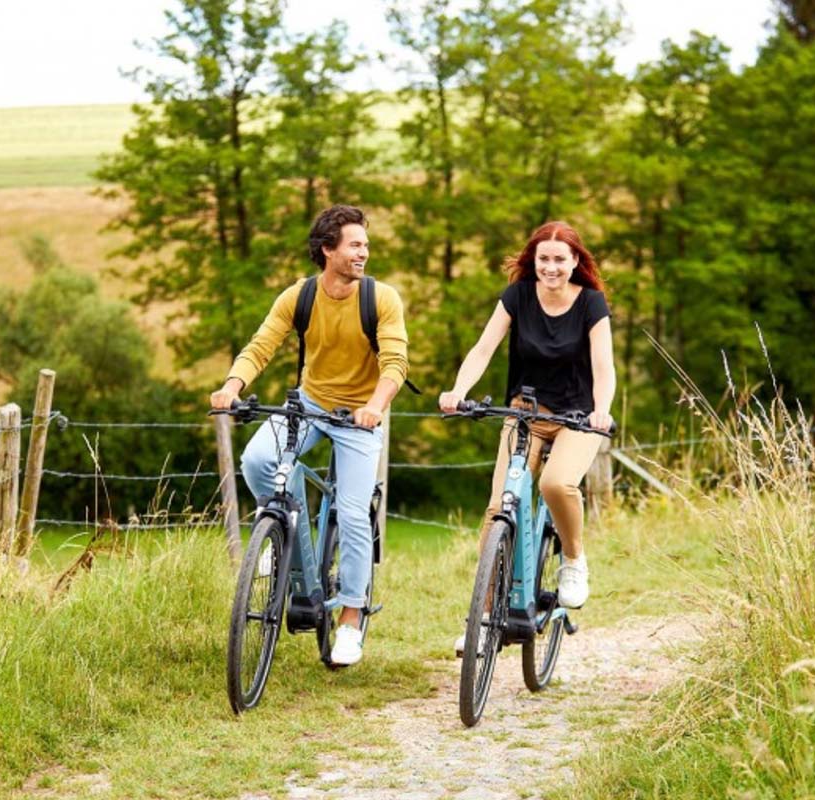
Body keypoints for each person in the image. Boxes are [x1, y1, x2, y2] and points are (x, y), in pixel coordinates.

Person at [211, 205, 409, 666]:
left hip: (360, 414)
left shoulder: (381, 299)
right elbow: (261, 346)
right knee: (260, 461)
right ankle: (284, 536)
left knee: (355, 514)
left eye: (365, 244)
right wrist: (231, 386)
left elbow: (396, 362)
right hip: (311, 403)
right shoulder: (298, 296)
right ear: (328, 250)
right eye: (355, 244)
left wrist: (375, 407)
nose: (364, 252)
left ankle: (351, 620)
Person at [439, 221, 614, 649]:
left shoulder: (592, 303)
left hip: (578, 417)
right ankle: (480, 620)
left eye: (559, 259)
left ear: (575, 262)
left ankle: (573, 557)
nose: (551, 267)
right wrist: (458, 392)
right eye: (543, 259)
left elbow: (604, 368)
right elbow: (484, 348)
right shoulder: (517, 296)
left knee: (556, 483)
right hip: (525, 412)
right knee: (500, 505)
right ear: (532, 260)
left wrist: (601, 412)